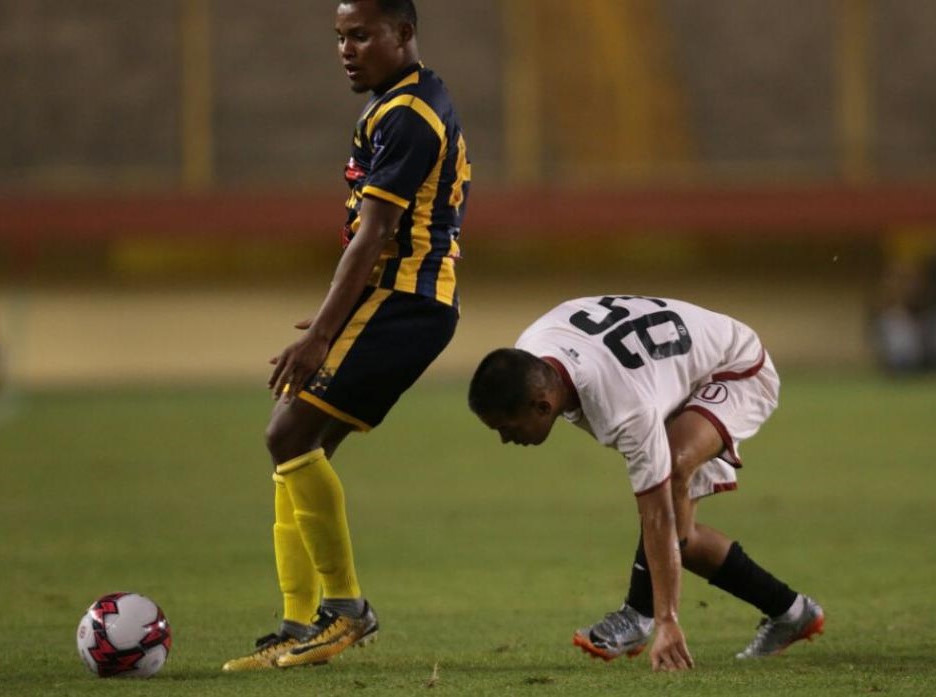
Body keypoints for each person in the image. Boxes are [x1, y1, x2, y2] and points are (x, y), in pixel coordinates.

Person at [223, 0, 470, 671]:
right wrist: (338, 315)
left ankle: (345, 609)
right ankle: (298, 623)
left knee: (287, 435)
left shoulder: (410, 114)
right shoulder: (397, 102)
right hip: (393, 299)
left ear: (404, 33)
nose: (346, 50)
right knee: (298, 447)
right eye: (340, 37)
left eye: (361, 35)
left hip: (407, 300)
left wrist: (323, 333)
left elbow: (375, 233)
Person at [468, 295, 824, 672]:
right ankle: (792, 611)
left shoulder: (623, 405)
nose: (504, 439)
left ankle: (638, 616)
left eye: (506, 427)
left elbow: (657, 514)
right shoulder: (532, 353)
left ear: (542, 406)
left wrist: (667, 619)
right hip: (664, 370)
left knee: (672, 470)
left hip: (733, 368)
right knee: (680, 540)